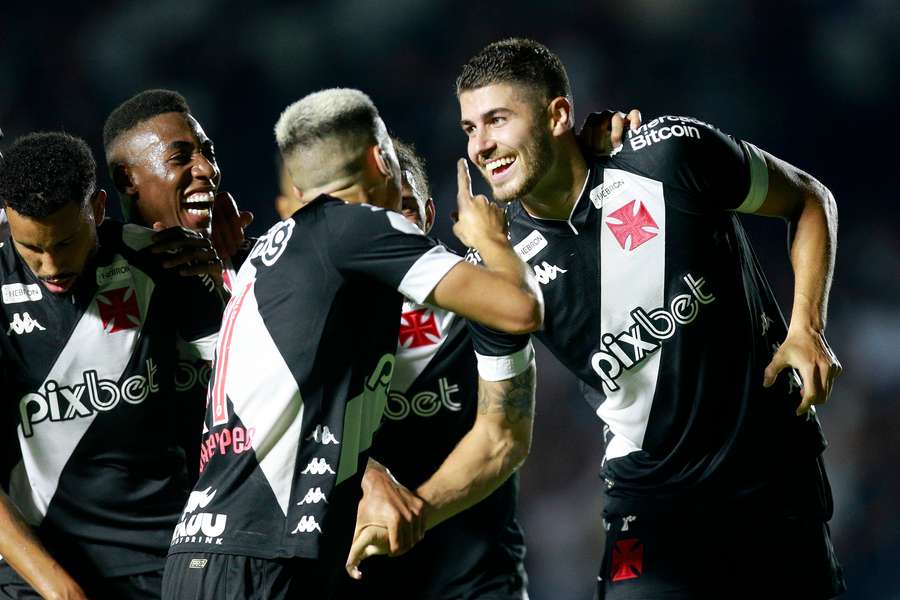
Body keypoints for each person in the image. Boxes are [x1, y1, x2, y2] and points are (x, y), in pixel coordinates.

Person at [456, 38, 845, 598]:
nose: (482, 145)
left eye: (497, 119)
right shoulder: (493, 272)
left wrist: (806, 327)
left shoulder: (667, 156)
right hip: (650, 502)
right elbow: (498, 433)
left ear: (558, 114)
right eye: (470, 128)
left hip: (773, 478)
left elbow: (809, 201)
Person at [161, 88, 543, 599]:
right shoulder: (357, 229)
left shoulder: (270, 257)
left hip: (204, 553)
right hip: (266, 559)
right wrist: (489, 237)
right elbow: (522, 307)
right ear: (377, 158)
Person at [0, 132, 225, 599]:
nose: (49, 266)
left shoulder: (165, 261)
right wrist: (61, 591)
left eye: (64, 243)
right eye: (30, 249)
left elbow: (252, 384)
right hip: (38, 564)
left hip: (163, 553)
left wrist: (225, 270)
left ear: (98, 208)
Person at [342, 139, 535, 599]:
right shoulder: (321, 311)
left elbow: (505, 439)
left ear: (429, 215)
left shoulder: (487, 294)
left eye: (403, 207)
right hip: (364, 577)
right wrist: (371, 476)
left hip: (477, 579)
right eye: (374, 210)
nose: (390, 225)